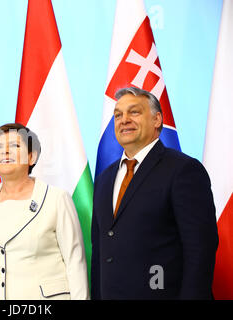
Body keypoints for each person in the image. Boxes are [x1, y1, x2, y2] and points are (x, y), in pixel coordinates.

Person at [91, 87, 218, 299]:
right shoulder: (105, 179)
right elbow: (101, 252)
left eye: (134, 112)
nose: (124, 120)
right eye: (118, 115)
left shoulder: (183, 170)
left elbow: (200, 249)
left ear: (157, 119)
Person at [0, 123, 89, 300]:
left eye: (14, 146)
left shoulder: (56, 199)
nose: (4, 152)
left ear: (32, 157)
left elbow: (75, 263)